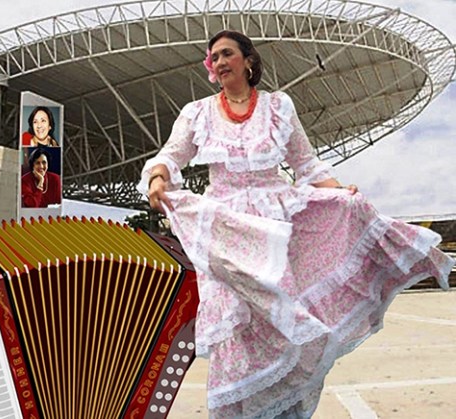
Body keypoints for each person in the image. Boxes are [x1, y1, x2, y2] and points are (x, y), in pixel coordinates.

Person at [137, 30, 454, 418]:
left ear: (248, 61)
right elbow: (171, 155)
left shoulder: (278, 107)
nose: (219, 62)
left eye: (226, 54)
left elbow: (306, 164)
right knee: (237, 323)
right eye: (213, 57)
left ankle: (286, 411)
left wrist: (340, 192)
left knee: (283, 321)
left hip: (277, 225)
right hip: (227, 232)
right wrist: (158, 177)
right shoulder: (197, 112)